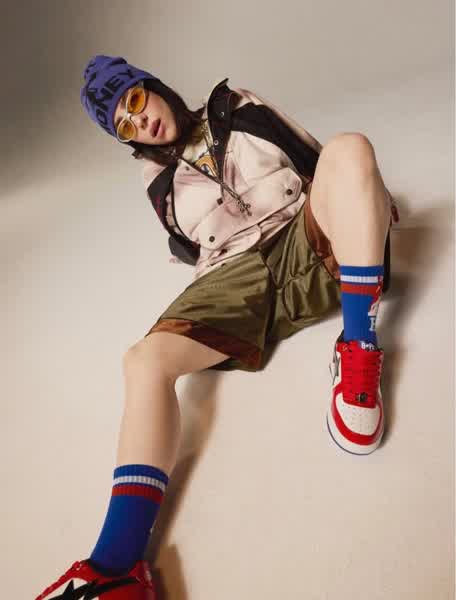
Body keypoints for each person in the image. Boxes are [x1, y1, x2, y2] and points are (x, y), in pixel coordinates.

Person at [35, 55, 400, 599]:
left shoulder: (238, 107)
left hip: (303, 243)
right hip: (233, 278)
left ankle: (358, 344)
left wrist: (366, 197)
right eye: (126, 127)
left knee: (351, 147)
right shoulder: (156, 182)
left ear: (152, 86)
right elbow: (189, 247)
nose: (142, 122)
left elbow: (318, 160)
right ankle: (115, 566)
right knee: (142, 362)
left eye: (135, 101)